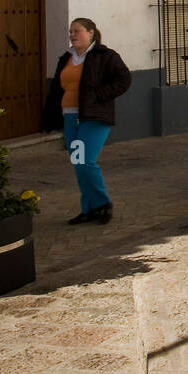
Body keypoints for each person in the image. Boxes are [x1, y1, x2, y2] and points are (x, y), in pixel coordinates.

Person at [41, 18, 132, 225]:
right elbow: (58, 88)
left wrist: (99, 94)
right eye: (70, 31)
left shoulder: (105, 56)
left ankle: (102, 203)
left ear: (91, 33)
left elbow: (124, 79)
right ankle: (89, 209)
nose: (72, 35)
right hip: (70, 117)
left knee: (85, 161)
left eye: (77, 31)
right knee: (78, 163)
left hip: (93, 118)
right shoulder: (67, 57)